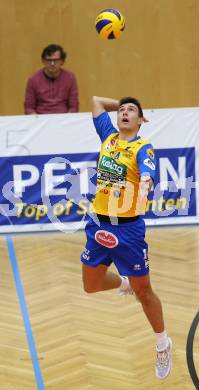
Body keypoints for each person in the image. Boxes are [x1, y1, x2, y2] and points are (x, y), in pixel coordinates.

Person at [80, 96, 173, 379]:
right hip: (98, 225)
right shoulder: (108, 138)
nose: (124, 112)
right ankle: (123, 283)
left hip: (128, 231)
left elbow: (148, 171)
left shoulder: (143, 147)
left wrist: (146, 182)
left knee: (144, 291)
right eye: (121, 110)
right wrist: (123, 101)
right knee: (91, 285)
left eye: (131, 110)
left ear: (141, 120)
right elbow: (96, 101)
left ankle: (162, 343)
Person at [24, 44, 79, 114]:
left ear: (62, 61)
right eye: (49, 60)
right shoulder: (33, 80)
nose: (52, 63)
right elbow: (29, 108)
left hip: (63, 120)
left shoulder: (70, 78)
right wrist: (36, 119)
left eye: (56, 60)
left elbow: (74, 106)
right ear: (43, 61)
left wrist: (67, 119)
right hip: (41, 120)